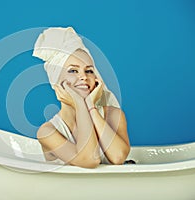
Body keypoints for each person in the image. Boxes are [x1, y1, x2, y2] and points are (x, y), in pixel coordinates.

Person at [33, 27, 130, 168]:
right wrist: (80, 104)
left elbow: (118, 157)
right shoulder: (48, 132)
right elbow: (89, 160)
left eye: (89, 71)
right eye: (73, 70)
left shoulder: (114, 115)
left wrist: (91, 107)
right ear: (56, 82)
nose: (84, 77)